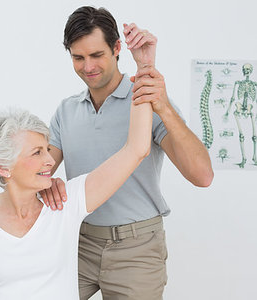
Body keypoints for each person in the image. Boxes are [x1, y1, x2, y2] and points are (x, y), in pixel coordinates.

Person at [40, 6, 214, 300]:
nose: (88, 66)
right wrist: (47, 183)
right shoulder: (65, 110)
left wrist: (164, 107)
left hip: (137, 249)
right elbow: (39, 168)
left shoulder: (147, 100)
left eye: (97, 55)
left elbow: (202, 175)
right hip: (77, 242)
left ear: (117, 48)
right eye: (78, 57)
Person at [0, 84, 152, 298]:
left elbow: (136, 149)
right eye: (37, 153)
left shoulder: (67, 202)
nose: (50, 160)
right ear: (4, 168)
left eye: (47, 149)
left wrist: (144, 67)